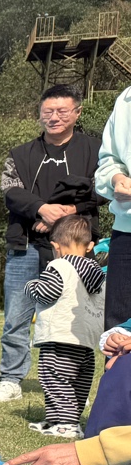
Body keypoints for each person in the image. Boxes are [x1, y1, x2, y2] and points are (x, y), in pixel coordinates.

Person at [0, 85, 103, 403]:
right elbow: (11, 191)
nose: (54, 117)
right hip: (26, 245)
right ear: (39, 114)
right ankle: (10, 379)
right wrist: (41, 209)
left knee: (76, 316)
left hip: (76, 248)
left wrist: (67, 212)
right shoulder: (20, 154)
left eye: (62, 111)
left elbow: (104, 189)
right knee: (16, 316)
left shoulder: (95, 150)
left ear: (77, 113)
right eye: (47, 111)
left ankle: (74, 383)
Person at [24, 215, 104, 438]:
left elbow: (47, 293)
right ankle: (58, 420)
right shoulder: (97, 272)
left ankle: (66, 425)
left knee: (54, 378)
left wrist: (31, 286)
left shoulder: (59, 266)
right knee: (78, 383)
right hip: (85, 339)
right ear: (89, 246)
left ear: (55, 246)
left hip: (60, 337)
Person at [98, 82, 131, 328]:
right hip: (126, 231)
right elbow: (109, 159)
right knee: (117, 332)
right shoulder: (125, 100)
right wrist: (116, 178)